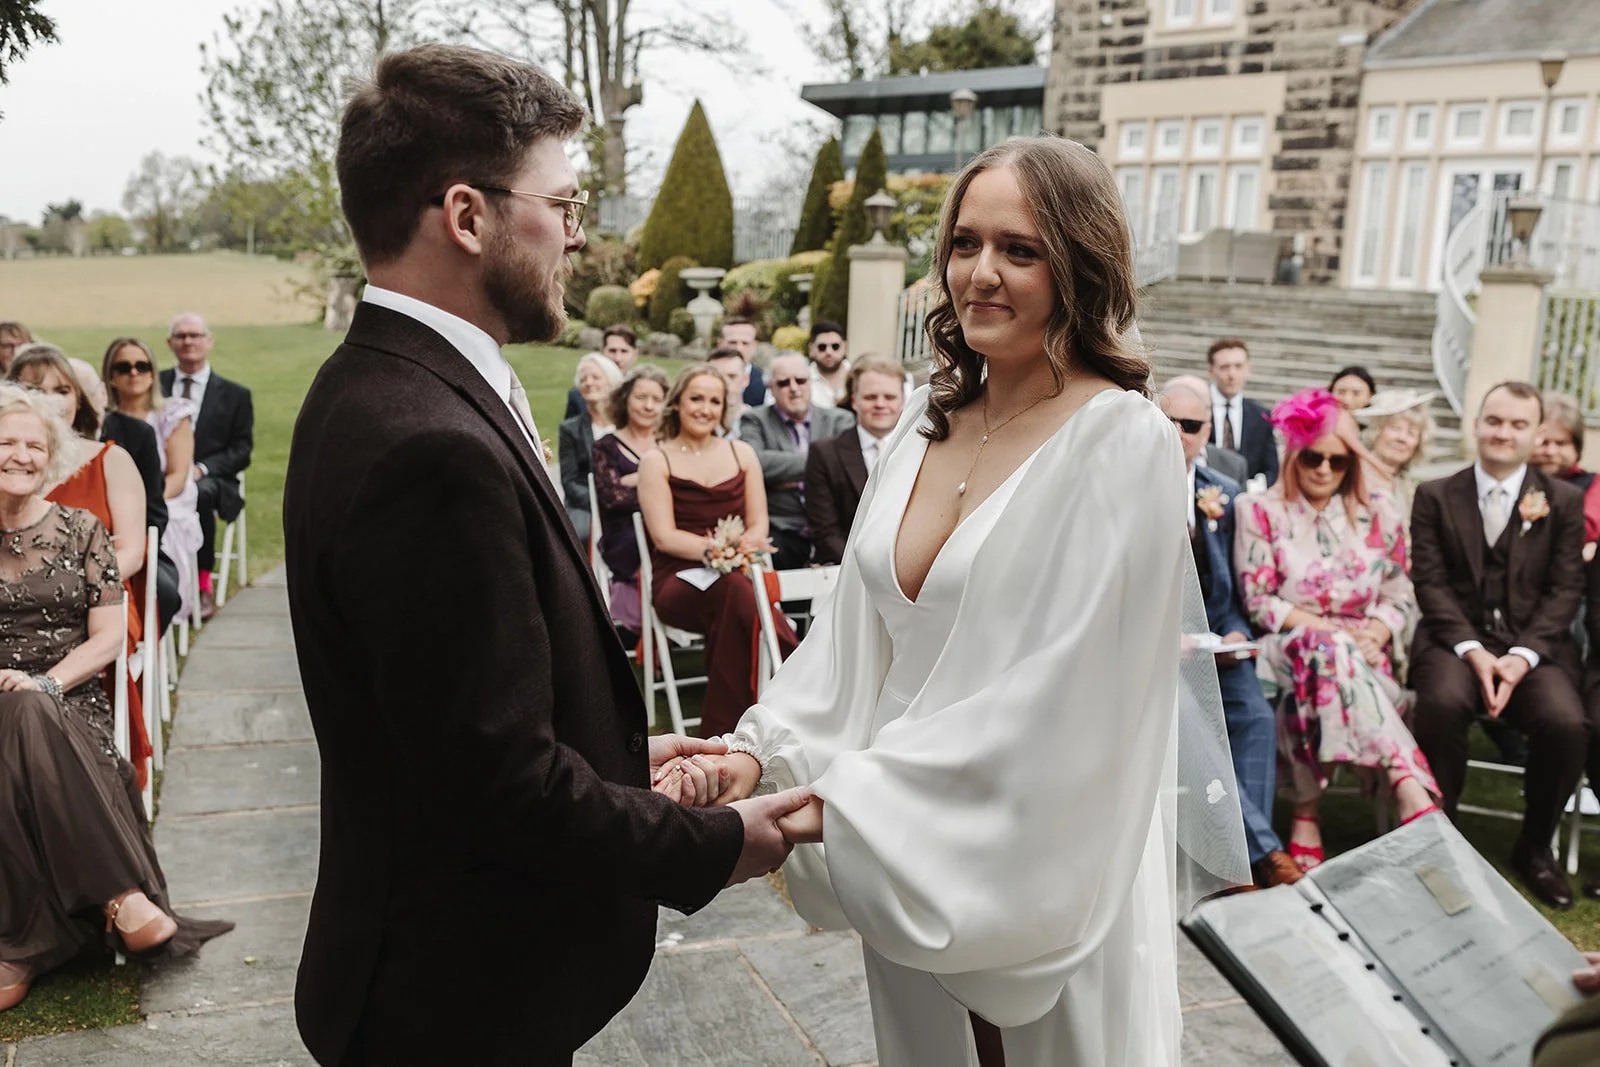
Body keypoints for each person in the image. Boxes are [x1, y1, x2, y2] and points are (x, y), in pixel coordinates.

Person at [659, 137, 1249, 1067]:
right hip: (905, 844)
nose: (980, 273)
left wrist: (837, 802)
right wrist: (753, 755)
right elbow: (854, 650)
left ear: (1080, 265)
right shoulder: (922, 429)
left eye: (1019, 250)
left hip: (1043, 837)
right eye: (965, 243)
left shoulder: (1124, 445)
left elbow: (1070, 692)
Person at [283, 45, 809, 1067]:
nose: (579, 232)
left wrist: (614, 758)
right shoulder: (425, 442)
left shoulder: (376, 382)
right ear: (469, 215)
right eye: (561, 204)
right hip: (453, 1005)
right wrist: (716, 842)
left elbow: (452, 719)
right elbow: (499, 786)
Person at [0, 385, 232, 1014]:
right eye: (6, 442)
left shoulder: (83, 531)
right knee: (14, 711)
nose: (19, 454)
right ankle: (119, 898)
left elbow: (106, 641)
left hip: (70, 698)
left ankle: (18, 948)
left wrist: (45, 683)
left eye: (33, 444)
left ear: (49, 457)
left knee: (29, 711)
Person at [1234, 387, 1439, 873]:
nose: (1324, 469)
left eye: (1338, 460)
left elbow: (1399, 594)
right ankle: (1407, 781)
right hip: (1285, 646)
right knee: (1321, 648)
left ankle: (1306, 814)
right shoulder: (1258, 509)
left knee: (1325, 666)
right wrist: (1336, 635)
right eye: (1312, 457)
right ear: (1292, 456)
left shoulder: (1380, 512)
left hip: (1363, 657)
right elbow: (1261, 602)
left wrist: (1378, 632)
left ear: (1352, 462)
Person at [1410, 382, 1588, 910]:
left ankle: (1535, 848)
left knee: (1566, 723)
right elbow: (1431, 584)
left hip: (1534, 649)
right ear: (1477, 424)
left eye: (1516, 425)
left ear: (1536, 434)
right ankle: (1441, 840)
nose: (1502, 433)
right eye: (1494, 420)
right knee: (1440, 705)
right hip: (1454, 641)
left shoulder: (1564, 501)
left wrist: (1520, 657)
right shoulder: (1435, 494)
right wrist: (1472, 648)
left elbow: (1565, 590)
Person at [1159, 376, 1300, 888]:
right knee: (1193, 723)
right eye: (1167, 421)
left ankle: (1235, 858)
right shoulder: (1126, 490)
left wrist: (1237, 635)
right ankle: (1259, 857)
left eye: (1190, 425)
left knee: (1255, 719)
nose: (1177, 434)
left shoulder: (1226, 495)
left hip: (1214, 649)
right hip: (1150, 656)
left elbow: (1236, 594)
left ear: (1207, 431)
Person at [9, 343, 154, 788]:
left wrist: (84, 580)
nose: (50, 399)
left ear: (79, 399)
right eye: (35, 388)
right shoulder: (15, 469)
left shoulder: (110, 461)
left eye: (61, 389)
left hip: (99, 598)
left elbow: (129, 549)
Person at [638, 364, 799, 737]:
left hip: (736, 577)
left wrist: (742, 550)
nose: (704, 409)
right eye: (696, 398)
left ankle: (729, 729)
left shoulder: (742, 453)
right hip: (678, 580)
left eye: (714, 401)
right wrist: (719, 552)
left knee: (736, 594)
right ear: (677, 403)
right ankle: (794, 674)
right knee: (739, 592)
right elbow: (664, 537)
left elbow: (759, 524)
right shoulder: (656, 460)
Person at [102, 337, 203, 627]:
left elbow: (178, 475)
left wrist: (140, 506)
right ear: (110, 375)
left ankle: (153, 611)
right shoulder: (102, 421)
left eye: (141, 366)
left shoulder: (172, 415)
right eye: (124, 367)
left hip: (165, 498)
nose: (134, 373)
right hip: (112, 505)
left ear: (153, 372)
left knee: (157, 531)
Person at [159, 312, 253, 621]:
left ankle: (201, 584)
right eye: (181, 336)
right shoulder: (155, 386)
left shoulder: (236, 395)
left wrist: (201, 469)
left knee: (197, 494)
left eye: (195, 335)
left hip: (212, 479)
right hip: (160, 473)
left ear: (208, 341)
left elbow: (242, 450)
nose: (188, 341)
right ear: (170, 343)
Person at [738, 352, 855, 570]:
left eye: (800, 380)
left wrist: (782, 476)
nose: (794, 388)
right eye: (783, 383)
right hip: (783, 528)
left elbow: (847, 469)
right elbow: (755, 462)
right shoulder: (754, 420)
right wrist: (822, 468)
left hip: (835, 527)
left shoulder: (840, 420)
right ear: (770, 388)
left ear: (810, 382)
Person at [592, 365, 669, 643]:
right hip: (625, 533)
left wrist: (636, 480)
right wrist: (658, 487)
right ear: (625, 399)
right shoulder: (606, 447)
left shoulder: (671, 442)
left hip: (671, 527)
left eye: (656, 399)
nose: (648, 406)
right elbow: (612, 497)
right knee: (641, 539)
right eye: (641, 397)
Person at [804, 357, 905, 566]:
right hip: (843, 570)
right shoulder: (824, 454)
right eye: (870, 397)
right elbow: (825, 532)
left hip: (905, 574)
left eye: (890, 397)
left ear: (903, 401)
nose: (880, 404)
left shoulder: (921, 451)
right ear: (854, 401)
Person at [557, 351, 622, 542]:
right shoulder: (570, 429)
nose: (589, 382)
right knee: (579, 534)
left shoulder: (625, 424)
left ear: (611, 381)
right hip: (585, 503)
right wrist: (600, 502)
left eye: (595, 377)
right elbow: (570, 481)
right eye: (583, 378)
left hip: (625, 499)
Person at [1355, 388, 1435, 524]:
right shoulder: (1353, 474)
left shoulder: (1408, 487)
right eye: (1395, 428)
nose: (1402, 438)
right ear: (1377, 431)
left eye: (1411, 433)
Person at [1208, 338, 1279, 485]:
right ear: (1211, 370)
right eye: (1224, 367)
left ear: (1249, 369)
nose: (1232, 374)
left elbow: (1271, 468)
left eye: (1238, 366)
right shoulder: (1198, 409)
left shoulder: (1262, 416)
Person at [1535, 391, 1600, 551]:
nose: (1550, 452)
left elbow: (1582, 530)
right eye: (1544, 443)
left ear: (1577, 448)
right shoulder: (1514, 478)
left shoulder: (1593, 484)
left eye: (1561, 443)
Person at [563, 324, 638, 419]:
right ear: (602, 352)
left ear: (635, 354)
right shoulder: (578, 395)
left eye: (624, 351)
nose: (618, 358)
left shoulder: (641, 392)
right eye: (612, 351)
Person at [717, 316, 769, 407]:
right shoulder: (703, 378)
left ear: (754, 346)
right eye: (732, 342)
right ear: (720, 344)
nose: (739, 348)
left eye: (745, 343)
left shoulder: (767, 384)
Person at [707, 345, 752, 435]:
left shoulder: (759, 422)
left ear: (745, 380)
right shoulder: (695, 422)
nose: (724, 383)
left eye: (732, 376)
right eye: (717, 376)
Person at [806, 320, 850, 407]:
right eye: (822, 347)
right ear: (811, 349)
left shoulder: (858, 375)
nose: (829, 352)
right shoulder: (802, 381)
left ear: (845, 347)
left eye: (835, 346)